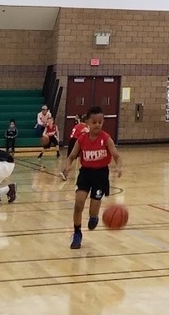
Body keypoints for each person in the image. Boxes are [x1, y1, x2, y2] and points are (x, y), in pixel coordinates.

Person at [61, 106, 123, 249]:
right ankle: (77, 233)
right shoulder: (82, 139)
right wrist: (68, 165)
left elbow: (117, 156)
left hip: (101, 175)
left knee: (93, 209)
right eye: (94, 122)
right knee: (78, 203)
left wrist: (119, 167)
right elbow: (71, 156)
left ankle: (94, 217)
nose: (97, 125)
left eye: (100, 122)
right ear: (87, 123)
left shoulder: (106, 139)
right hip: (85, 173)